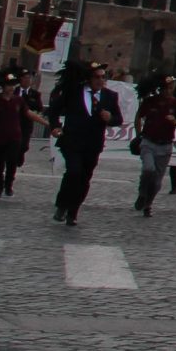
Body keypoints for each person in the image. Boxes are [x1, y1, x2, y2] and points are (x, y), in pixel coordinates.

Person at [50, 62, 123, 227]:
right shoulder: (74, 91)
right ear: (89, 79)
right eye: (97, 77)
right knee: (73, 172)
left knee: (84, 178)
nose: (100, 80)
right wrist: (54, 126)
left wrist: (110, 118)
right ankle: (62, 205)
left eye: (103, 77)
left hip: (93, 144)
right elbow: (54, 109)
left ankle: (73, 211)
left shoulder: (110, 96)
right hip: (72, 142)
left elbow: (119, 119)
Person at [0, 65, 41, 198]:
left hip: (15, 137)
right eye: (9, 85)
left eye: (13, 85)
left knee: (12, 163)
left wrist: (46, 123)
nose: (11, 88)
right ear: (3, 87)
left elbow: (29, 113)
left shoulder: (19, 100)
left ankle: (8, 186)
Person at [132, 73, 176, 215]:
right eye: (166, 88)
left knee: (157, 182)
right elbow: (138, 117)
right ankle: (142, 192)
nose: (168, 90)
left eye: (171, 87)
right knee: (148, 169)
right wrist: (138, 135)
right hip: (148, 141)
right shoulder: (150, 101)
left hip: (166, 145)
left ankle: (148, 204)